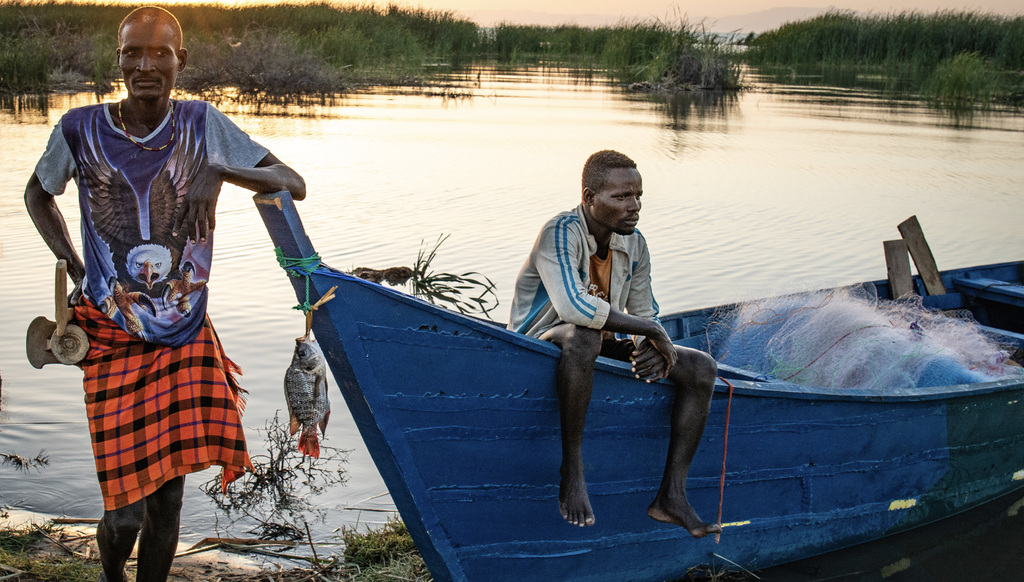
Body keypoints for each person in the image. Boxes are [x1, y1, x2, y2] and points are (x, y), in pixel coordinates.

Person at [24, 7, 305, 582]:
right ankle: (111, 577)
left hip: (183, 335)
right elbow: (37, 195)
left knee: (167, 503)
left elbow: (293, 182)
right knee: (124, 516)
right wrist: (73, 265)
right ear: (119, 58)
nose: (145, 64)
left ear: (182, 60)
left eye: (160, 52)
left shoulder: (205, 126)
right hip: (110, 335)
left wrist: (221, 172)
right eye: (133, 52)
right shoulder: (79, 129)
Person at [507, 150, 721, 538]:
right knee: (583, 334)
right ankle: (572, 470)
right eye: (621, 197)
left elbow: (645, 311)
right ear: (589, 197)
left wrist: (649, 344)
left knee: (701, 367)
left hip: (592, 344)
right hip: (538, 344)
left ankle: (671, 497)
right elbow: (572, 307)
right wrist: (650, 330)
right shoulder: (560, 232)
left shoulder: (634, 244)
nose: (634, 206)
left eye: (638, 196)